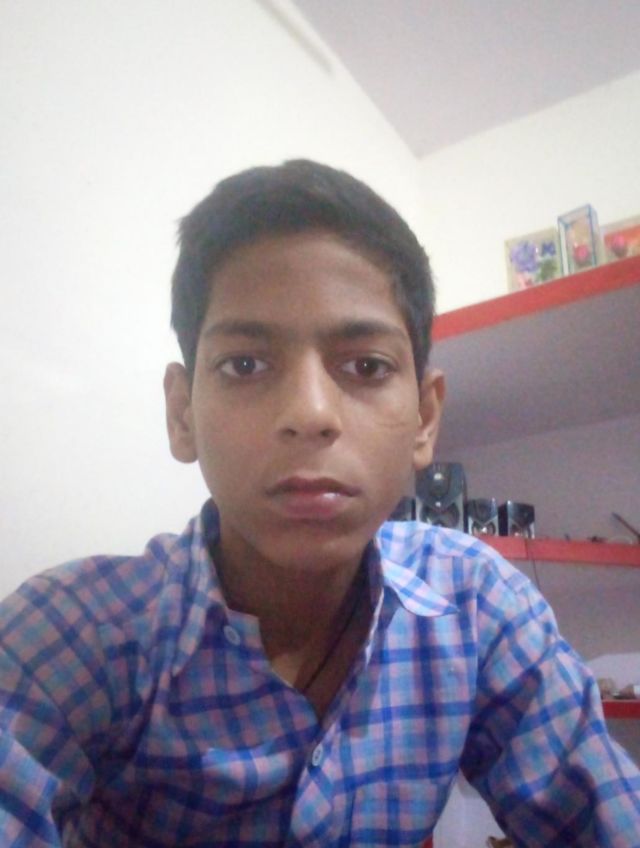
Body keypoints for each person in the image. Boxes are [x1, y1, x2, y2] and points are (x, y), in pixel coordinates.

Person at [1, 160, 638, 848]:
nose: (309, 414)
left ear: (424, 418)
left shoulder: (476, 603)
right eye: (246, 364)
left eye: (366, 366)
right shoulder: (69, 638)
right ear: (182, 414)